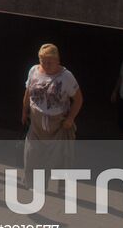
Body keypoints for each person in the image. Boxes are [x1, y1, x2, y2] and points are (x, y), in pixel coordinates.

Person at [22, 43, 82, 175]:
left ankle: (53, 184)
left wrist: (70, 118)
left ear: (58, 61)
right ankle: (33, 184)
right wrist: (24, 112)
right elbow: (28, 92)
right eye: (43, 62)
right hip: (36, 122)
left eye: (50, 62)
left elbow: (78, 100)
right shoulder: (34, 71)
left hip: (57, 124)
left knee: (55, 158)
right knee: (32, 155)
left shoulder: (66, 77)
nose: (46, 66)